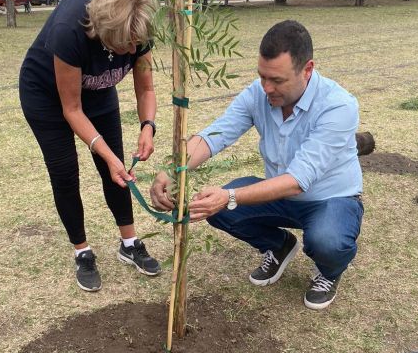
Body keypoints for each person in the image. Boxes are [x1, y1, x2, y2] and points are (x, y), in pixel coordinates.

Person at [150, 19, 363, 310]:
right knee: (217, 209)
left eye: (277, 80)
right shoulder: (257, 94)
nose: (266, 88)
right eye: (262, 76)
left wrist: (231, 196)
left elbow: (297, 180)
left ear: (308, 69)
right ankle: (279, 245)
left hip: (330, 199)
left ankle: (329, 272)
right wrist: (173, 169)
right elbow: (216, 135)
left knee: (327, 240)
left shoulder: (338, 105)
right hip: (278, 196)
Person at [19, 0, 161, 292]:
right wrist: (107, 155)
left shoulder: (137, 30)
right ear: (104, 31)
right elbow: (71, 109)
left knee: (117, 171)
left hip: (96, 91)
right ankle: (82, 250)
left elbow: (146, 88)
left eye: (136, 44)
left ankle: (129, 243)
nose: (131, 50)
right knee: (65, 171)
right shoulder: (71, 29)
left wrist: (147, 126)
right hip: (46, 97)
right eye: (125, 44)